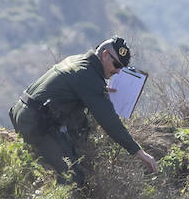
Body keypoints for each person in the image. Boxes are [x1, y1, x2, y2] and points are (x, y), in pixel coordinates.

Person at [9, 36, 158, 184]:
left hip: (22, 112)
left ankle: (63, 152)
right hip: (34, 124)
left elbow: (76, 89)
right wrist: (139, 152)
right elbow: (110, 122)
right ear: (105, 55)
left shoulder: (79, 61)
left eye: (122, 68)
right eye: (116, 65)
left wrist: (99, 91)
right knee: (73, 176)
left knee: (83, 125)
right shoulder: (89, 77)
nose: (118, 71)